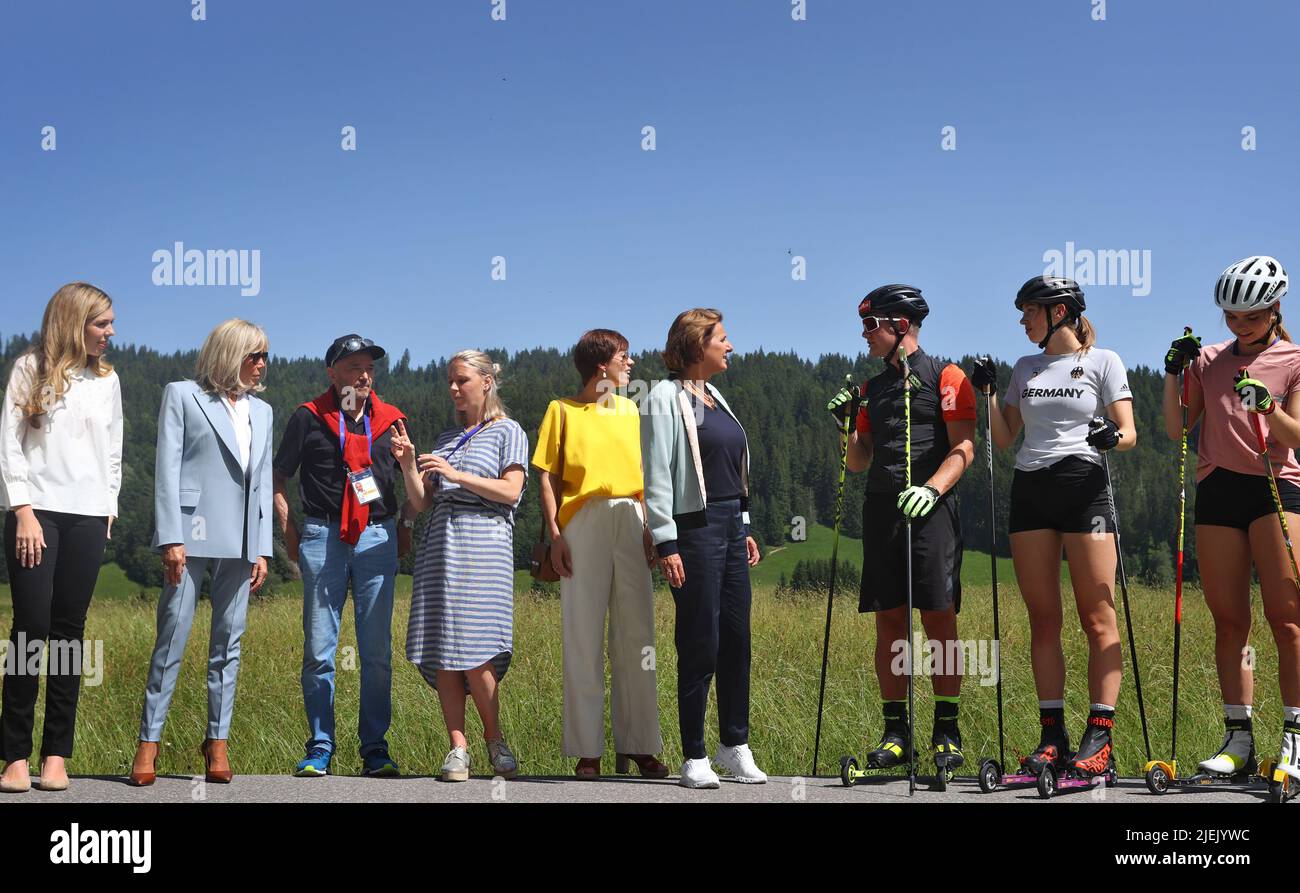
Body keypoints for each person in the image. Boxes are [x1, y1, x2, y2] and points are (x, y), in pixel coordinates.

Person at [972, 276, 1136, 778]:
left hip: (1083, 482)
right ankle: (1052, 738)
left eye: (1029, 311)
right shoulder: (1026, 367)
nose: (1023, 320)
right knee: (1043, 620)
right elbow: (1003, 437)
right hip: (1031, 487)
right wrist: (989, 394)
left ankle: (1100, 739)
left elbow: (1128, 433)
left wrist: (1112, 436)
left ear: (1059, 311)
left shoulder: (1103, 361)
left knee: (1096, 617)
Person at [827, 284, 976, 781]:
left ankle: (947, 730)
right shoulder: (872, 388)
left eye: (872, 325)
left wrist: (933, 490)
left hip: (932, 510)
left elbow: (965, 449)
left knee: (938, 619)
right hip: (882, 507)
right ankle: (896, 736)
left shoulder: (947, 376)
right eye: (864, 325)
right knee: (889, 620)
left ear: (902, 326)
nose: (864, 334)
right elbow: (857, 460)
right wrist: (849, 424)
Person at [1161, 255, 1300, 780]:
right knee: (1229, 622)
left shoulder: (1294, 359)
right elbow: (1178, 428)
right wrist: (1175, 372)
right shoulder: (1211, 360)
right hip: (1217, 488)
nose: (1240, 326)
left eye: (1251, 317)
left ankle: (1295, 736)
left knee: (1287, 620)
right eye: (1232, 317)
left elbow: (1296, 436)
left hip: (1274, 487)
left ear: (1274, 309)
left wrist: (1268, 407)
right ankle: (1238, 739)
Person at [131, 319, 274, 786]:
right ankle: (148, 742)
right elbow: (165, 469)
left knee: (228, 644)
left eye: (265, 356)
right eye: (255, 356)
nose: (262, 365)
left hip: (241, 543)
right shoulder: (182, 394)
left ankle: (217, 742)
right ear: (230, 353)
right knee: (171, 637)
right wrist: (170, 537)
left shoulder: (264, 411)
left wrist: (262, 548)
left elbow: (264, 482)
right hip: (189, 535)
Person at [0, 282, 121, 794]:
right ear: (74, 321)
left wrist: (109, 509)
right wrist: (22, 509)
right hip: (38, 512)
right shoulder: (33, 370)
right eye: (101, 323)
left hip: (89, 517)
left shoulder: (107, 379)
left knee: (70, 631)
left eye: (112, 323)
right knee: (31, 628)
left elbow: (113, 448)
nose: (110, 333)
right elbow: (10, 438)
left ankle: (56, 755)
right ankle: (13, 758)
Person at [532, 329, 666, 780]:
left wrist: (650, 527)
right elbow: (547, 478)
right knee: (582, 636)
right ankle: (587, 750)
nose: (631, 365)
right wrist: (555, 533)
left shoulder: (631, 410)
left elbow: (645, 475)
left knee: (638, 637)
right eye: (624, 357)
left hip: (631, 517)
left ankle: (641, 745)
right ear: (600, 366)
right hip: (581, 521)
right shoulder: (561, 410)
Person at [274, 334, 407, 778]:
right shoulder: (308, 418)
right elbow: (279, 475)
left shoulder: (391, 421)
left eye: (369, 367)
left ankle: (375, 749)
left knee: (377, 652)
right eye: (353, 367)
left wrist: (403, 528)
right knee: (319, 651)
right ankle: (320, 746)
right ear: (332, 372)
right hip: (322, 536)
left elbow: (410, 482)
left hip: (376, 538)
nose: (364, 374)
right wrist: (289, 526)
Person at [642, 309, 765, 789]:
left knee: (737, 638)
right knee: (700, 641)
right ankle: (693, 755)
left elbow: (736, 471)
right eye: (722, 339)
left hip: (732, 528)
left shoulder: (715, 396)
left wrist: (747, 524)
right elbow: (655, 476)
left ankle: (734, 745)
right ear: (697, 344)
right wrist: (665, 540)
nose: (730, 346)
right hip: (693, 530)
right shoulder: (662, 397)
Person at [396, 350, 528, 782]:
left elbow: (511, 492)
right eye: (450, 382)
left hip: (484, 546)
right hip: (441, 547)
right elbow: (422, 502)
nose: (453, 389)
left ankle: (494, 738)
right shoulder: (447, 437)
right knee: (444, 650)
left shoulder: (509, 431)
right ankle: (458, 747)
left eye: (462, 381)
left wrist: (456, 474)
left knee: (477, 650)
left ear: (486, 381)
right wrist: (407, 464)